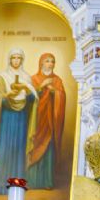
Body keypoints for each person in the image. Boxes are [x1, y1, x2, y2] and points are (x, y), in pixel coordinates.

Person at [0, 50, 36, 196]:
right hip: (5, 119)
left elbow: (33, 100)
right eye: (13, 58)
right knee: (4, 150)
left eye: (19, 58)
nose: (16, 61)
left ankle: (18, 187)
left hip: (21, 119)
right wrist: (6, 97)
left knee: (18, 150)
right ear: (9, 59)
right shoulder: (2, 77)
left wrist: (26, 92)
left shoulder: (26, 78)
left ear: (22, 60)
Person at [26, 52, 66, 190]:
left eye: (52, 61)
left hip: (50, 121)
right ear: (41, 63)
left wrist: (54, 91)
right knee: (34, 146)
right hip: (36, 120)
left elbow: (62, 98)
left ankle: (47, 181)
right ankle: (32, 181)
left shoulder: (57, 80)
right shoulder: (34, 79)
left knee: (48, 149)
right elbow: (28, 98)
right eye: (47, 61)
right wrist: (41, 86)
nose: (50, 64)